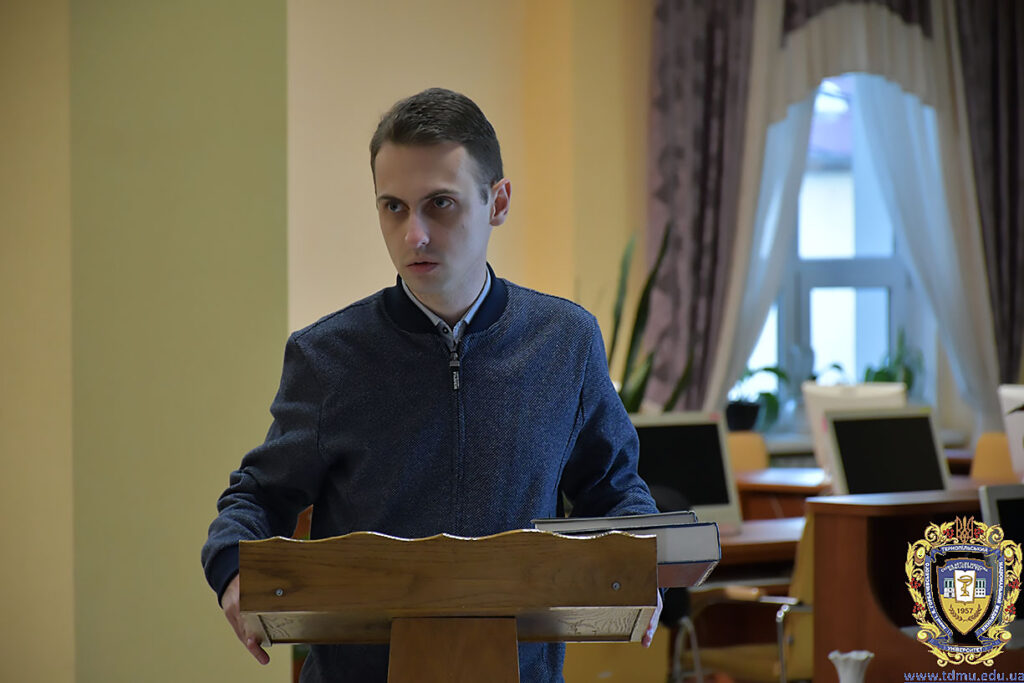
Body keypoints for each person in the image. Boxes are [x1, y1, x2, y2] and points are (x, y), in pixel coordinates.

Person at [201, 87, 662, 682]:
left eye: (439, 204)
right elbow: (259, 497)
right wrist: (233, 571)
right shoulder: (325, 356)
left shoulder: (565, 342)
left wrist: (642, 561)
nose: (413, 234)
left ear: (498, 202)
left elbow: (614, 491)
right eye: (393, 207)